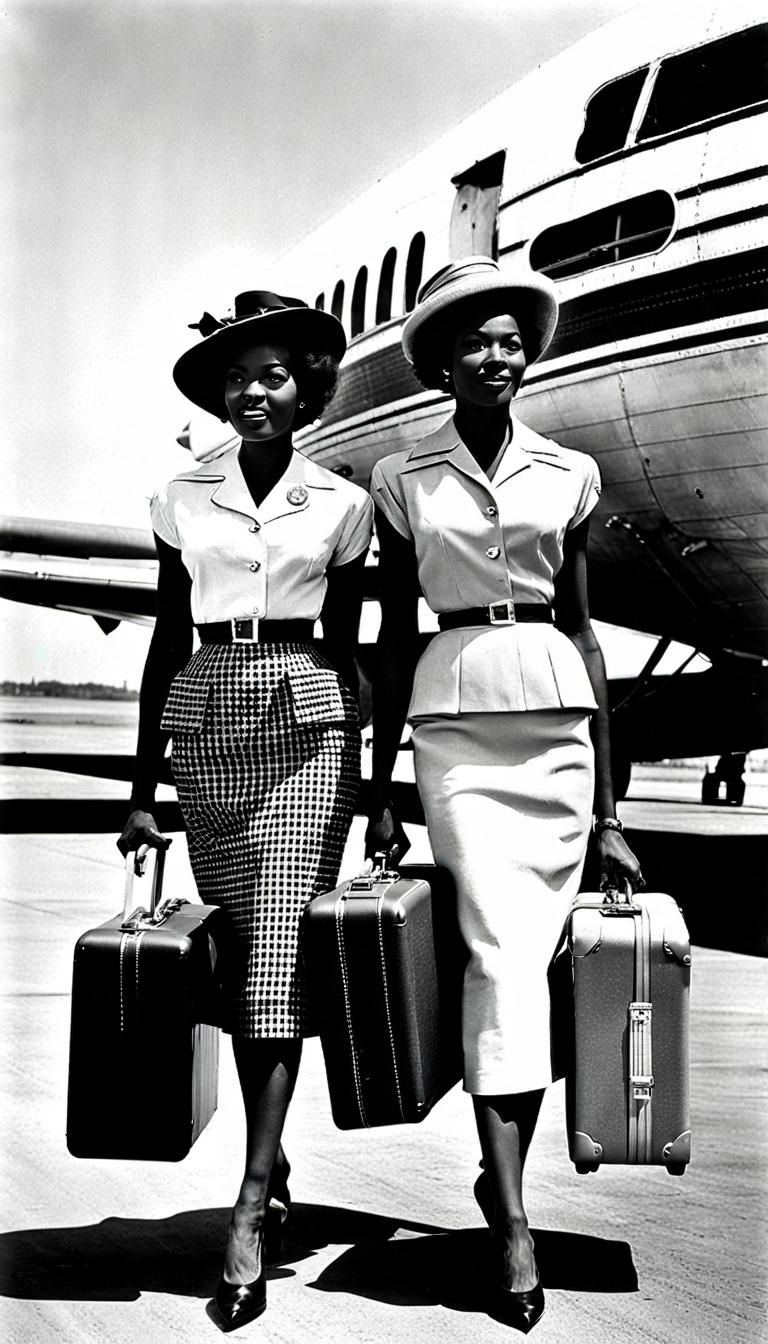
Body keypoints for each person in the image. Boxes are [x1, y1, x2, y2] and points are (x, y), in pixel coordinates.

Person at [365, 257, 642, 1333]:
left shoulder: (568, 475)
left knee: (528, 958)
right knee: (492, 950)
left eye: (512, 339)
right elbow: (392, 638)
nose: (498, 355)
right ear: (440, 361)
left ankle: (506, 1184)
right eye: (475, 341)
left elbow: (583, 634)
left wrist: (612, 811)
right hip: (455, 726)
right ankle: (516, 1221)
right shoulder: (403, 479)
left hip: (556, 728)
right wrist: (379, 783)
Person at [118, 290, 373, 1332]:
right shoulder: (180, 497)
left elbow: (358, 650)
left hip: (310, 726)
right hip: (209, 721)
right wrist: (141, 791)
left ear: (306, 388)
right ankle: (271, 1156)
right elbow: (162, 640)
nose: (254, 392)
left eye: (273, 375)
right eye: (238, 377)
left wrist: (383, 783)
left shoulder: (344, 506)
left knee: (275, 955)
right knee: (239, 965)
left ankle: (250, 1204)